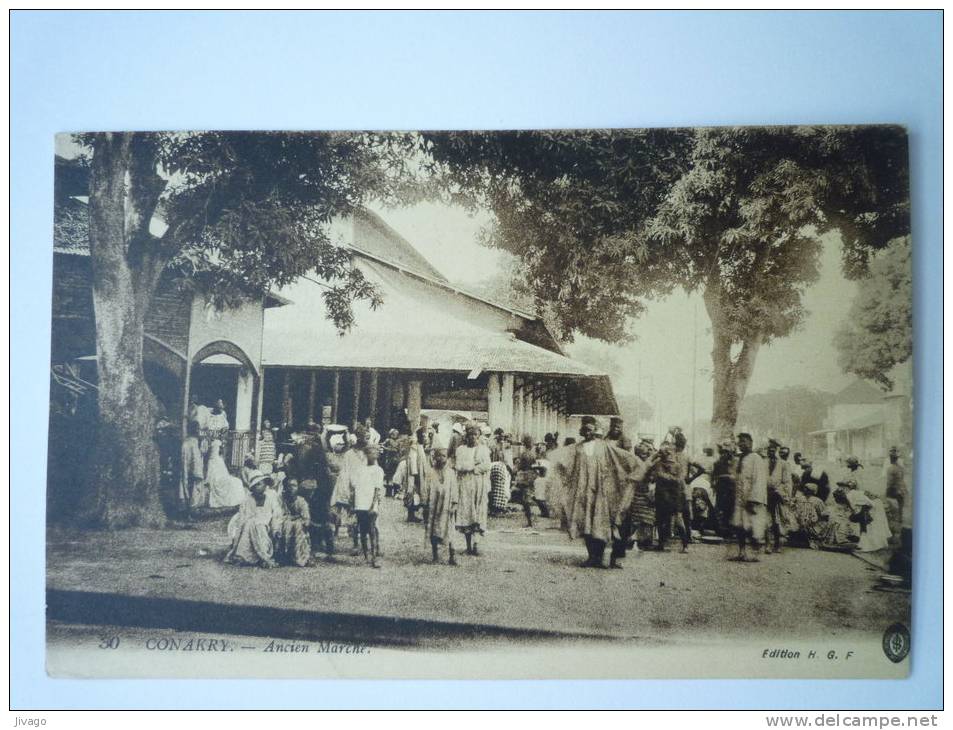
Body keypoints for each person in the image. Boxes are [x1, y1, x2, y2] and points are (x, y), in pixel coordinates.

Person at [563, 415, 634, 568]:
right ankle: (591, 557)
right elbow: (570, 467)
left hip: (600, 491)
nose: (588, 433)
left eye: (590, 430)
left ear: (594, 430)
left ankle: (600, 556)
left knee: (599, 523)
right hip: (582, 491)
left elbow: (620, 457)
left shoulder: (604, 446)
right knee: (585, 523)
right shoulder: (577, 448)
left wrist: (637, 466)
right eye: (585, 430)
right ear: (582, 431)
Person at [730, 432, 768, 563]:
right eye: (740, 442)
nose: (741, 444)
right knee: (740, 526)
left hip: (752, 499)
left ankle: (755, 554)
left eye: (744, 441)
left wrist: (753, 498)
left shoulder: (756, 458)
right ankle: (742, 552)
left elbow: (759, 480)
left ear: (751, 443)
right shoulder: (740, 459)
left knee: (753, 527)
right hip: (740, 498)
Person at [454, 423, 492, 556]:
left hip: (479, 484)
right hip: (465, 484)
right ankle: (468, 546)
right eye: (470, 435)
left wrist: (474, 468)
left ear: (479, 436)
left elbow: (486, 466)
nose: (472, 438)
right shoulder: (461, 449)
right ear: (466, 436)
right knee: (467, 512)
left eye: (475, 435)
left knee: (478, 513)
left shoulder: (484, 450)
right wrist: (472, 466)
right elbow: (459, 466)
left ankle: (476, 545)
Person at [225, 475, 277, 568]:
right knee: (250, 525)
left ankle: (263, 555)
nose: (258, 487)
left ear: (265, 486)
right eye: (255, 485)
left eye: (260, 484)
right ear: (252, 488)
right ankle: (243, 556)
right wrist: (249, 522)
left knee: (259, 528)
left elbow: (276, 514)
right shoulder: (247, 499)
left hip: (265, 524)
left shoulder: (271, 498)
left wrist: (275, 527)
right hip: (249, 524)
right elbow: (243, 515)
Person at [649, 442, 689, 553]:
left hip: (671, 495)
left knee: (675, 520)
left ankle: (683, 544)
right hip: (666, 495)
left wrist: (663, 476)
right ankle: (664, 544)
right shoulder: (662, 465)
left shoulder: (671, 465)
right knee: (663, 519)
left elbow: (678, 480)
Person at [349, 444, 384, 568]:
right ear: (366, 454)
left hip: (370, 504)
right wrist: (353, 504)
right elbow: (354, 488)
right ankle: (366, 556)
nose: (373, 455)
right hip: (360, 503)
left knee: (372, 529)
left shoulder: (378, 471)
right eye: (370, 453)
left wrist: (373, 505)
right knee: (362, 531)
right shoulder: (360, 470)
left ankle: (374, 557)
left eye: (375, 453)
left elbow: (377, 490)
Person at [424, 447, 459, 566]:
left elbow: (454, 489)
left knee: (450, 530)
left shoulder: (451, 472)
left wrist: (454, 503)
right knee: (434, 529)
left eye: (444, 456)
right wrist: (425, 503)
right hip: (434, 506)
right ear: (435, 457)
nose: (441, 458)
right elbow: (427, 489)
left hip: (447, 506)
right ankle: (435, 555)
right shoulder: (430, 472)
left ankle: (452, 556)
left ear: (447, 458)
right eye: (439, 456)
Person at [273, 478, 312, 567]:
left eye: (294, 486)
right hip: (284, 523)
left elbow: (306, 518)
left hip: (298, 525)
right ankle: (284, 556)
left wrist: (298, 520)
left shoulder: (301, 501)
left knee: (297, 525)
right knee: (286, 525)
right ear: (285, 487)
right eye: (289, 486)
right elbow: (278, 514)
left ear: (298, 488)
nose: (291, 488)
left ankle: (299, 557)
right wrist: (289, 519)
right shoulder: (280, 500)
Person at [765, 439, 794, 554]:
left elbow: (787, 481)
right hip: (765, 494)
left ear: (777, 451)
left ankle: (778, 543)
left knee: (777, 520)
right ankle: (768, 543)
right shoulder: (763, 462)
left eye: (773, 450)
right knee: (766, 520)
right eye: (769, 449)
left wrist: (783, 494)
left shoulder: (783, 464)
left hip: (777, 495)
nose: (771, 451)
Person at [205, 439, 246, 509]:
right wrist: (209, 481)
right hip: (217, 481)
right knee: (232, 482)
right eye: (219, 448)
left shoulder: (220, 459)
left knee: (237, 481)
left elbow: (224, 472)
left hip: (223, 477)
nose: (220, 450)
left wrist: (228, 476)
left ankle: (237, 501)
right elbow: (210, 474)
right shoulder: (211, 461)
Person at [711, 442, 737, 536]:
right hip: (721, 487)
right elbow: (714, 476)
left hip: (732, 488)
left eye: (727, 452)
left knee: (731, 509)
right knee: (721, 508)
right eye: (723, 452)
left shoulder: (735, 462)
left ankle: (730, 529)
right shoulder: (718, 463)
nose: (725, 454)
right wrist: (714, 485)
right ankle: (721, 529)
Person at [180, 420, 205, 518]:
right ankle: (189, 512)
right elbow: (187, 459)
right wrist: (192, 470)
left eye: (198, 428)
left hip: (196, 470)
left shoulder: (196, 441)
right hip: (191, 471)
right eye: (196, 428)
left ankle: (193, 510)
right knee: (189, 489)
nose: (197, 430)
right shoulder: (188, 443)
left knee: (196, 490)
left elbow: (199, 456)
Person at [884, 446, 907, 542]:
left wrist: (886, 493)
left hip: (893, 492)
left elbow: (890, 483)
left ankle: (893, 536)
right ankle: (900, 534)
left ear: (890, 458)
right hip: (902, 491)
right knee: (900, 513)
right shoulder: (901, 467)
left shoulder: (890, 468)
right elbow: (902, 479)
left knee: (891, 513)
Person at [514, 452, 539, 528]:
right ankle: (530, 521)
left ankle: (530, 522)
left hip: (525, 481)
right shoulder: (532, 455)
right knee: (527, 502)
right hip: (529, 479)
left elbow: (519, 468)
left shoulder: (523, 454)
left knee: (526, 503)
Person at [380, 428, 402, 497]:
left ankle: (395, 492)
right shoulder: (388, 440)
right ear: (391, 434)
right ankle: (388, 492)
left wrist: (386, 448)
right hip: (389, 459)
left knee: (395, 475)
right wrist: (383, 446)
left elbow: (397, 450)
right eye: (393, 434)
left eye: (396, 434)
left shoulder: (398, 441)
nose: (394, 435)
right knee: (389, 475)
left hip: (395, 459)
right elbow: (382, 444)